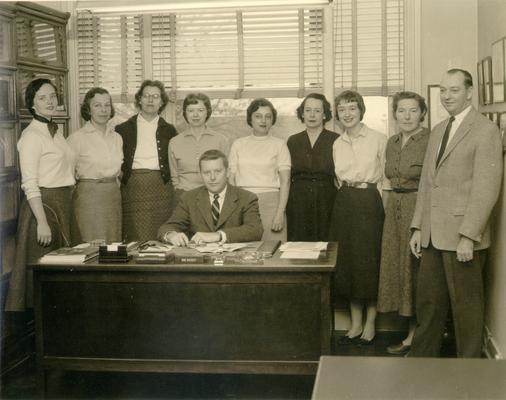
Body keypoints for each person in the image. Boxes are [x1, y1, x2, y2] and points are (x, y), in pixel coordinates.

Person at [408, 69, 503, 358]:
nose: (447, 96)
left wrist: (468, 237)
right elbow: (428, 182)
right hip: (432, 236)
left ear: (470, 92)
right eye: (443, 91)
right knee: (429, 307)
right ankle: (421, 368)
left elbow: (486, 190)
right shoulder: (438, 130)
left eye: (454, 90)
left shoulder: (485, 131)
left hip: (463, 239)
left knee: (466, 312)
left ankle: (469, 376)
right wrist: (417, 227)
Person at [6, 78, 80, 311]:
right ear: (32, 104)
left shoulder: (55, 132)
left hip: (63, 205)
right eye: (42, 97)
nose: (49, 101)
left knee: (64, 272)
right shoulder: (31, 137)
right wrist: (42, 223)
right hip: (43, 209)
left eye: (52, 96)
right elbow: (29, 184)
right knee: (44, 274)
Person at [330, 90, 388, 345]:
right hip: (344, 202)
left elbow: (386, 178)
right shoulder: (337, 143)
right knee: (349, 262)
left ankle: (371, 323)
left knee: (369, 261)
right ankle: (355, 323)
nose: (347, 114)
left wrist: (383, 210)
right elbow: (337, 178)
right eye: (342, 109)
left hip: (369, 201)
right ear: (337, 114)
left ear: (361, 110)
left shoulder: (378, 139)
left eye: (352, 108)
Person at [377, 91, 430, 355]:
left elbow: (432, 185)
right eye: (401, 111)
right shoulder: (392, 142)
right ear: (395, 114)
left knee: (416, 272)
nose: (406, 116)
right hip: (394, 213)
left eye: (413, 110)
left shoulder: (431, 140)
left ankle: (417, 338)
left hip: (417, 210)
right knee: (399, 270)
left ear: (422, 113)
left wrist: (420, 223)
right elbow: (388, 182)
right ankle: (410, 334)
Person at [115, 80, 178, 242]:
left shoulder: (170, 131)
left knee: (161, 234)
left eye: (155, 96)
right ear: (139, 100)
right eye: (146, 96)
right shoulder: (122, 129)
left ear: (162, 102)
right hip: (133, 188)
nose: (150, 100)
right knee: (135, 237)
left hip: (162, 188)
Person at [158, 150, 263, 245]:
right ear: (200, 174)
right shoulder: (188, 198)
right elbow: (167, 227)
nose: (212, 177)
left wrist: (218, 235)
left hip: (233, 262)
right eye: (207, 173)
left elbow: (255, 230)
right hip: (200, 263)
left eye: (218, 171)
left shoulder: (247, 198)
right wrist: (171, 235)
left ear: (228, 172)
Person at [229, 98, 291, 241]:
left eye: (268, 116)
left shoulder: (279, 145)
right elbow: (231, 180)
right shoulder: (238, 144)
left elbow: (285, 181)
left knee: (273, 253)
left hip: (271, 204)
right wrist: (234, 210)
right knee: (244, 253)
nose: (263, 120)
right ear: (250, 119)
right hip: (243, 203)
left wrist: (280, 213)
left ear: (272, 119)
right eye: (258, 116)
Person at [67, 87, 123, 243]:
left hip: (113, 197)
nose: (103, 110)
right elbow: (68, 176)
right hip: (88, 198)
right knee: (90, 245)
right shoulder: (76, 139)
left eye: (107, 105)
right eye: (97, 105)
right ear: (88, 109)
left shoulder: (117, 137)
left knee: (113, 246)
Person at [286, 93, 339, 241]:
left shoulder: (336, 140)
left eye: (317, 110)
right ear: (302, 113)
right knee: (299, 244)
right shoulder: (293, 141)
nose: (312, 115)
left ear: (324, 114)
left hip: (326, 199)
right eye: (308, 110)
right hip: (298, 200)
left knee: (325, 244)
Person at [169, 92, 229, 194]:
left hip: (214, 195)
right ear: (185, 113)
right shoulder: (174, 142)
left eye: (200, 110)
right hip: (184, 195)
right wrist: (180, 191)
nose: (195, 115)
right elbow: (174, 176)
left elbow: (226, 173)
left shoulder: (221, 140)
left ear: (207, 112)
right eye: (191, 110)